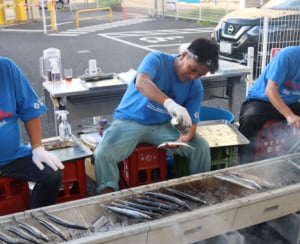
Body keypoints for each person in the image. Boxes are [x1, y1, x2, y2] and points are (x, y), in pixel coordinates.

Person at [93, 38, 219, 194]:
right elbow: (141, 82)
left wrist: (183, 139)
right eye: (192, 69)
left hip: (162, 125)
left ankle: (200, 192)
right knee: (103, 153)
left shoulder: (195, 87)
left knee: (200, 146)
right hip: (130, 119)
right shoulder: (157, 59)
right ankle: (108, 198)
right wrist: (169, 104)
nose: (193, 77)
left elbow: (192, 124)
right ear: (183, 55)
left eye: (199, 75)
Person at [0, 57, 64, 208]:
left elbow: (30, 109)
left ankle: (36, 220)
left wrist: (37, 148)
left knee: (51, 174)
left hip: (13, 156)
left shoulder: (6, 67)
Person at [238, 46, 300, 163]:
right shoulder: (287, 56)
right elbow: (270, 91)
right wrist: (289, 115)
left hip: (291, 102)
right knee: (250, 118)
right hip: (263, 100)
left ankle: (292, 161)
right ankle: (244, 165)